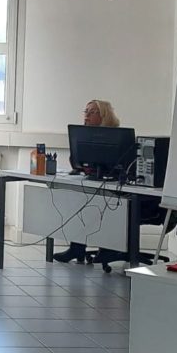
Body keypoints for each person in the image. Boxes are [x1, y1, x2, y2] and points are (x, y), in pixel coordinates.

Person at [54, 99, 120, 263]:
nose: (86, 116)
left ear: (104, 116)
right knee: (78, 201)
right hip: (92, 182)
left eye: (92, 112)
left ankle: (108, 250)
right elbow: (76, 162)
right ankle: (77, 249)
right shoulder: (83, 135)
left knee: (104, 205)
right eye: (86, 112)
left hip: (114, 188)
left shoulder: (116, 137)